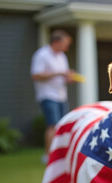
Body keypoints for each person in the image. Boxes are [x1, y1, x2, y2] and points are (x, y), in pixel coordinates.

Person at [31, 30, 73, 163]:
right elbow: (36, 75)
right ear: (56, 42)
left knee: (63, 125)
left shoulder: (62, 56)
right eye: (65, 44)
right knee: (52, 126)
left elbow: (63, 75)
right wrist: (58, 73)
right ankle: (47, 156)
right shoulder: (42, 55)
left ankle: (61, 154)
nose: (67, 47)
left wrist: (68, 77)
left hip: (61, 95)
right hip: (48, 95)